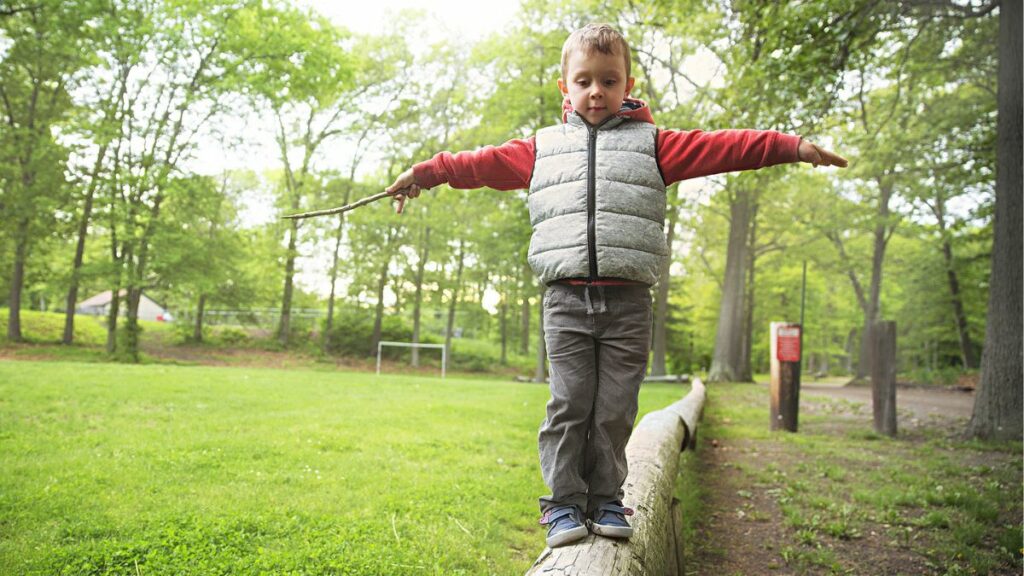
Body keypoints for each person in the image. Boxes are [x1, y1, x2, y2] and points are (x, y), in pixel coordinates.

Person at [385, 23, 847, 548]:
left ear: (628, 83)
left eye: (609, 80)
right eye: (583, 81)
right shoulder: (540, 150)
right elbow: (474, 163)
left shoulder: (656, 145)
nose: (596, 91)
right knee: (569, 402)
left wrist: (793, 147)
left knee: (615, 407)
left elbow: (726, 147)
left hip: (629, 303)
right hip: (566, 300)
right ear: (565, 87)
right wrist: (423, 173)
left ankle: (606, 498)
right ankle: (562, 505)